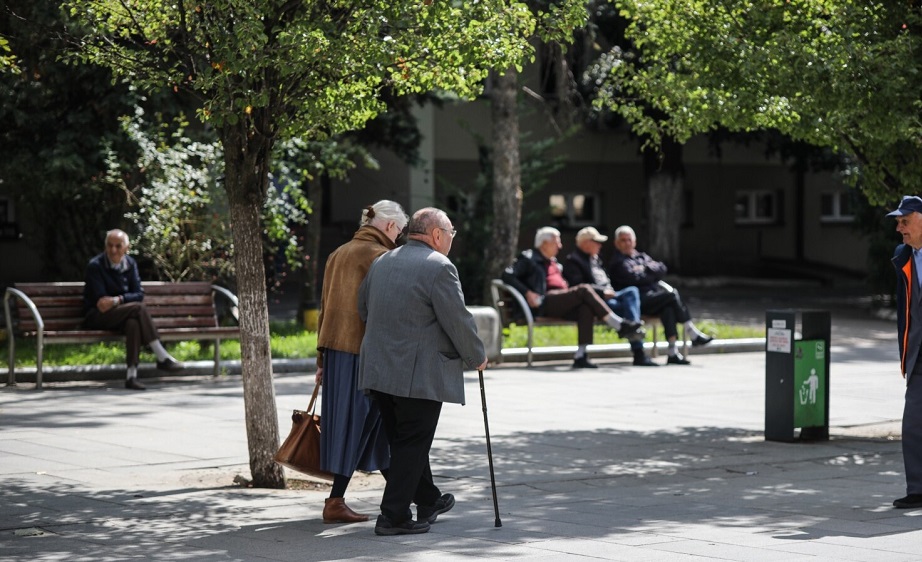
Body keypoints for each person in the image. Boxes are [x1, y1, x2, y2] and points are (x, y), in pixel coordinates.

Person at [357, 207, 487, 536]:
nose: (451, 242)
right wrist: (476, 356)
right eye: (451, 235)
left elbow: (363, 308)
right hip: (418, 373)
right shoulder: (439, 267)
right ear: (437, 235)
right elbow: (457, 319)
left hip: (380, 369)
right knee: (412, 443)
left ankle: (428, 499)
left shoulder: (383, 261)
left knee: (405, 441)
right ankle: (393, 516)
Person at [314, 200, 407, 524]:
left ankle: (420, 495)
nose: (399, 238)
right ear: (390, 226)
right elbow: (385, 311)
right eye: (400, 231)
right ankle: (335, 501)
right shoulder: (380, 257)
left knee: (372, 425)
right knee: (364, 424)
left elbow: (325, 308)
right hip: (364, 352)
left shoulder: (338, 253)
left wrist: (321, 357)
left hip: (337, 351)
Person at [502, 226, 646, 369]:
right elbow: (507, 275)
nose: (560, 246)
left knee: (585, 306)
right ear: (544, 243)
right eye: (556, 242)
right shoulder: (529, 258)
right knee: (583, 289)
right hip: (544, 302)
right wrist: (527, 292)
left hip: (560, 301)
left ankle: (581, 355)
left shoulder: (554, 263)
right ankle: (619, 324)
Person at [83, 229, 183, 390]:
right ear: (105, 247)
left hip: (122, 315)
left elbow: (138, 294)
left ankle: (131, 376)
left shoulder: (130, 264)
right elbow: (101, 303)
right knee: (138, 309)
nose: (113, 250)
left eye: (118, 246)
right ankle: (161, 355)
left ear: (126, 248)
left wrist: (118, 300)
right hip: (97, 316)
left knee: (133, 323)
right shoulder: (95, 266)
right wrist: (123, 300)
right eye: (110, 246)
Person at [607, 225, 713, 366]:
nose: (627, 243)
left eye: (629, 240)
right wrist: (649, 273)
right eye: (623, 240)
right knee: (671, 295)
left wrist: (644, 268)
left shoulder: (641, 257)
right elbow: (634, 279)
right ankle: (691, 331)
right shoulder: (617, 262)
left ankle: (672, 352)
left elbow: (662, 268)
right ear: (616, 243)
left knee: (668, 307)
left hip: (653, 298)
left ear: (635, 242)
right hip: (636, 302)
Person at [562, 226, 656, 367]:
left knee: (631, 291)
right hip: (597, 302)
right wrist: (602, 292)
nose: (600, 245)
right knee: (627, 307)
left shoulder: (594, 260)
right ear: (586, 243)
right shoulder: (574, 262)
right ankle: (638, 349)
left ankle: (632, 328)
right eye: (597, 242)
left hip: (611, 296)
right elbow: (579, 288)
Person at [887, 195, 922, 509]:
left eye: (905, 221)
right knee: (913, 422)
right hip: (919, 353)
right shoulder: (903, 255)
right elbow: (904, 309)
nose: (899, 228)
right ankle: (918, 489)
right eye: (898, 222)